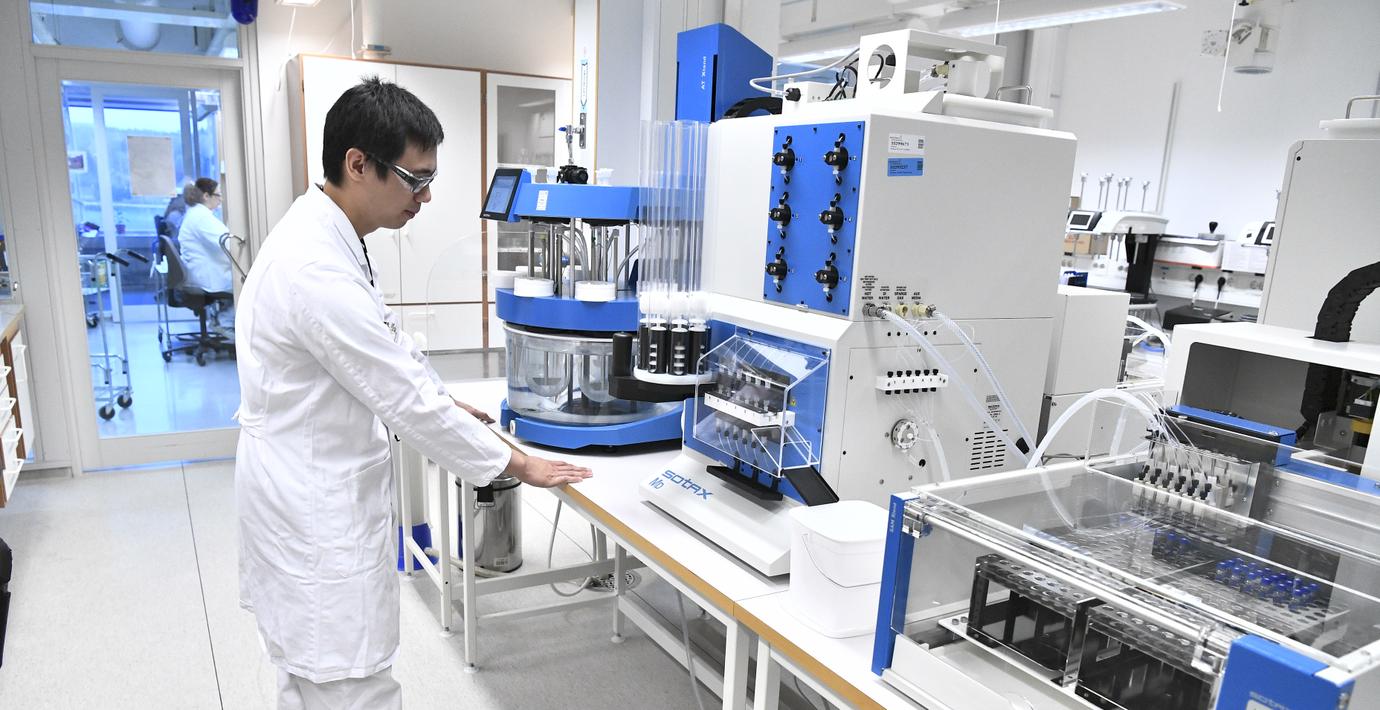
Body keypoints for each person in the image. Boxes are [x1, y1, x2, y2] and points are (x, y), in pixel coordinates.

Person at [233, 77, 592, 709]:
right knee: (351, 685)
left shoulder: (328, 234)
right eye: (415, 178)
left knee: (310, 682)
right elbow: (402, 398)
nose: (425, 197)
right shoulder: (314, 267)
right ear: (357, 164)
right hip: (315, 507)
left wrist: (444, 399)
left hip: (303, 488)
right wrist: (519, 464)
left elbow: (386, 344)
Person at [177, 177, 235, 333]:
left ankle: (222, 318)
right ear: (206, 196)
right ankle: (224, 320)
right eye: (218, 195)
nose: (221, 199)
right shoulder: (202, 218)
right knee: (248, 284)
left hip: (199, 274)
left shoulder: (196, 214)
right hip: (206, 277)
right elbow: (227, 243)